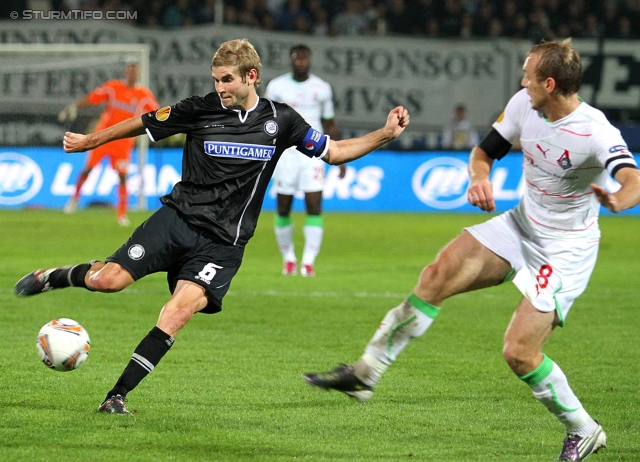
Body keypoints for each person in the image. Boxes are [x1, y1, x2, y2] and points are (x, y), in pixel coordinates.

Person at [15, 39, 410, 415]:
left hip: (223, 243)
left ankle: (115, 397)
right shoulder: (199, 109)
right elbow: (142, 122)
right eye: (216, 79)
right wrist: (91, 141)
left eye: (227, 80)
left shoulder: (282, 120)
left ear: (251, 76)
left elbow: (335, 151)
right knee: (110, 281)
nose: (219, 87)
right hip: (177, 220)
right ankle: (57, 276)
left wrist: (385, 134)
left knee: (177, 313)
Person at [303, 39, 640, 461]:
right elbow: (485, 152)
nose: (521, 80)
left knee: (519, 352)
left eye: (528, 74)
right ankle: (366, 372)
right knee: (436, 275)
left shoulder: (594, 130)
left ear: (550, 84)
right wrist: (478, 177)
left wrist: (617, 200)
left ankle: (583, 428)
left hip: (564, 249)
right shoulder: (524, 104)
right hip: (521, 225)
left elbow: (632, 181)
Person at [264, 44, 345, 277]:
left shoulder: (322, 88)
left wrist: (340, 158)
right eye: (297, 58)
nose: (301, 62)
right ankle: (288, 259)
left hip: (314, 153)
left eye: (304, 58)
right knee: (283, 207)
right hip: (286, 153)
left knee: (314, 206)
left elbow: (329, 123)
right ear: (291, 60)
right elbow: (267, 121)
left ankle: (308, 262)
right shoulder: (277, 87)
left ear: (309, 60)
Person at [59, 57, 159, 226]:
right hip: (102, 137)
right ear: (126, 72)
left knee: (122, 176)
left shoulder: (144, 95)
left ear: (139, 73)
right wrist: (75, 106)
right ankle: (74, 199)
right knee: (88, 169)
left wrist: (173, 126)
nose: (132, 73)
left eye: (135, 70)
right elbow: (92, 98)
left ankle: (121, 214)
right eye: (130, 69)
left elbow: (157, 113)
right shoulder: (113, 87)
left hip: (123, 141)